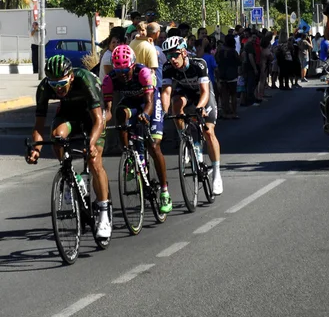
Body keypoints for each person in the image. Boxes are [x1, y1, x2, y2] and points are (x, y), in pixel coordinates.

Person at [26, 55, 111, 238]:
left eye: (61, 84)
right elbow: (39, 125)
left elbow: (98, 120)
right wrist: (36, 149)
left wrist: (91, 144)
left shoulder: (85, 79)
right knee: (57, 136)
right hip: (69, 114)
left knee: (94, 160)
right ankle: (71, 175)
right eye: (54, 85)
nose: (58, 89)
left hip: (92, 115)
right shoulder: (44, 87)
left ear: (71, 76)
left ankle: (104, 213)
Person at [102, 45, 172, 214]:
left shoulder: (144, 73)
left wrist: (146, 116)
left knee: (154, 146)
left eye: (126, 70)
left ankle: (164, 191)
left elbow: (149, 103)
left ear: (133, 65)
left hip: (149, 102)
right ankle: (128, 155)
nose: (123, 75)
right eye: (119, 71)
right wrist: (103, 121)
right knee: (120, 113)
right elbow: (108, 110)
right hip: (131, 102)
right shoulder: (109, 79)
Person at [160, 36, 223, 195]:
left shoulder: (198, 64)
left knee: (208, 131)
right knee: (176, 103)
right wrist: (163, 111)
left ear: (183, 52)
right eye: (168, 55)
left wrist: (200, 107)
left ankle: (216, 174)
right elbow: (166, 91)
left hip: (203, 95)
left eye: (175, 55)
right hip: (185, 92)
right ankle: (185, 140)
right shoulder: (168, 67)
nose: (172, 59)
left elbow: (204, 91)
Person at [216, 34, 240, 119]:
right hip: (232, 74)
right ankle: (233, 112)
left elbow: (217, 61)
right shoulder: (233, 52)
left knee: (224, 94)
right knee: (233, 94)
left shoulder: (220, 51)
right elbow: (238, 62)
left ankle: (225, 112)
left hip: (222, 74)